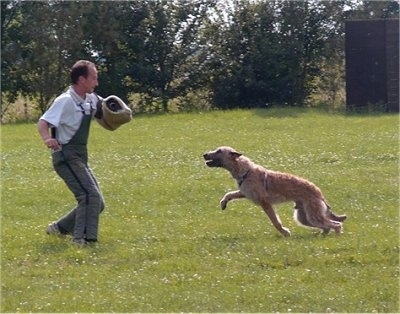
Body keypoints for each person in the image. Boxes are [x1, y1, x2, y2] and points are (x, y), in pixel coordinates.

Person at [38, 60, 105, 246]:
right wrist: (47, 139)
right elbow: (43, 123)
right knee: (89, 196)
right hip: (65, 155)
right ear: (81, 79)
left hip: (80, 156)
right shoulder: (65, 101)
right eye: (94, 78)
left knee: (98, 203)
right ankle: (81, 239)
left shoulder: (91, 99)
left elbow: (107, 110)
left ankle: (59, 229)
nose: (96, 82)